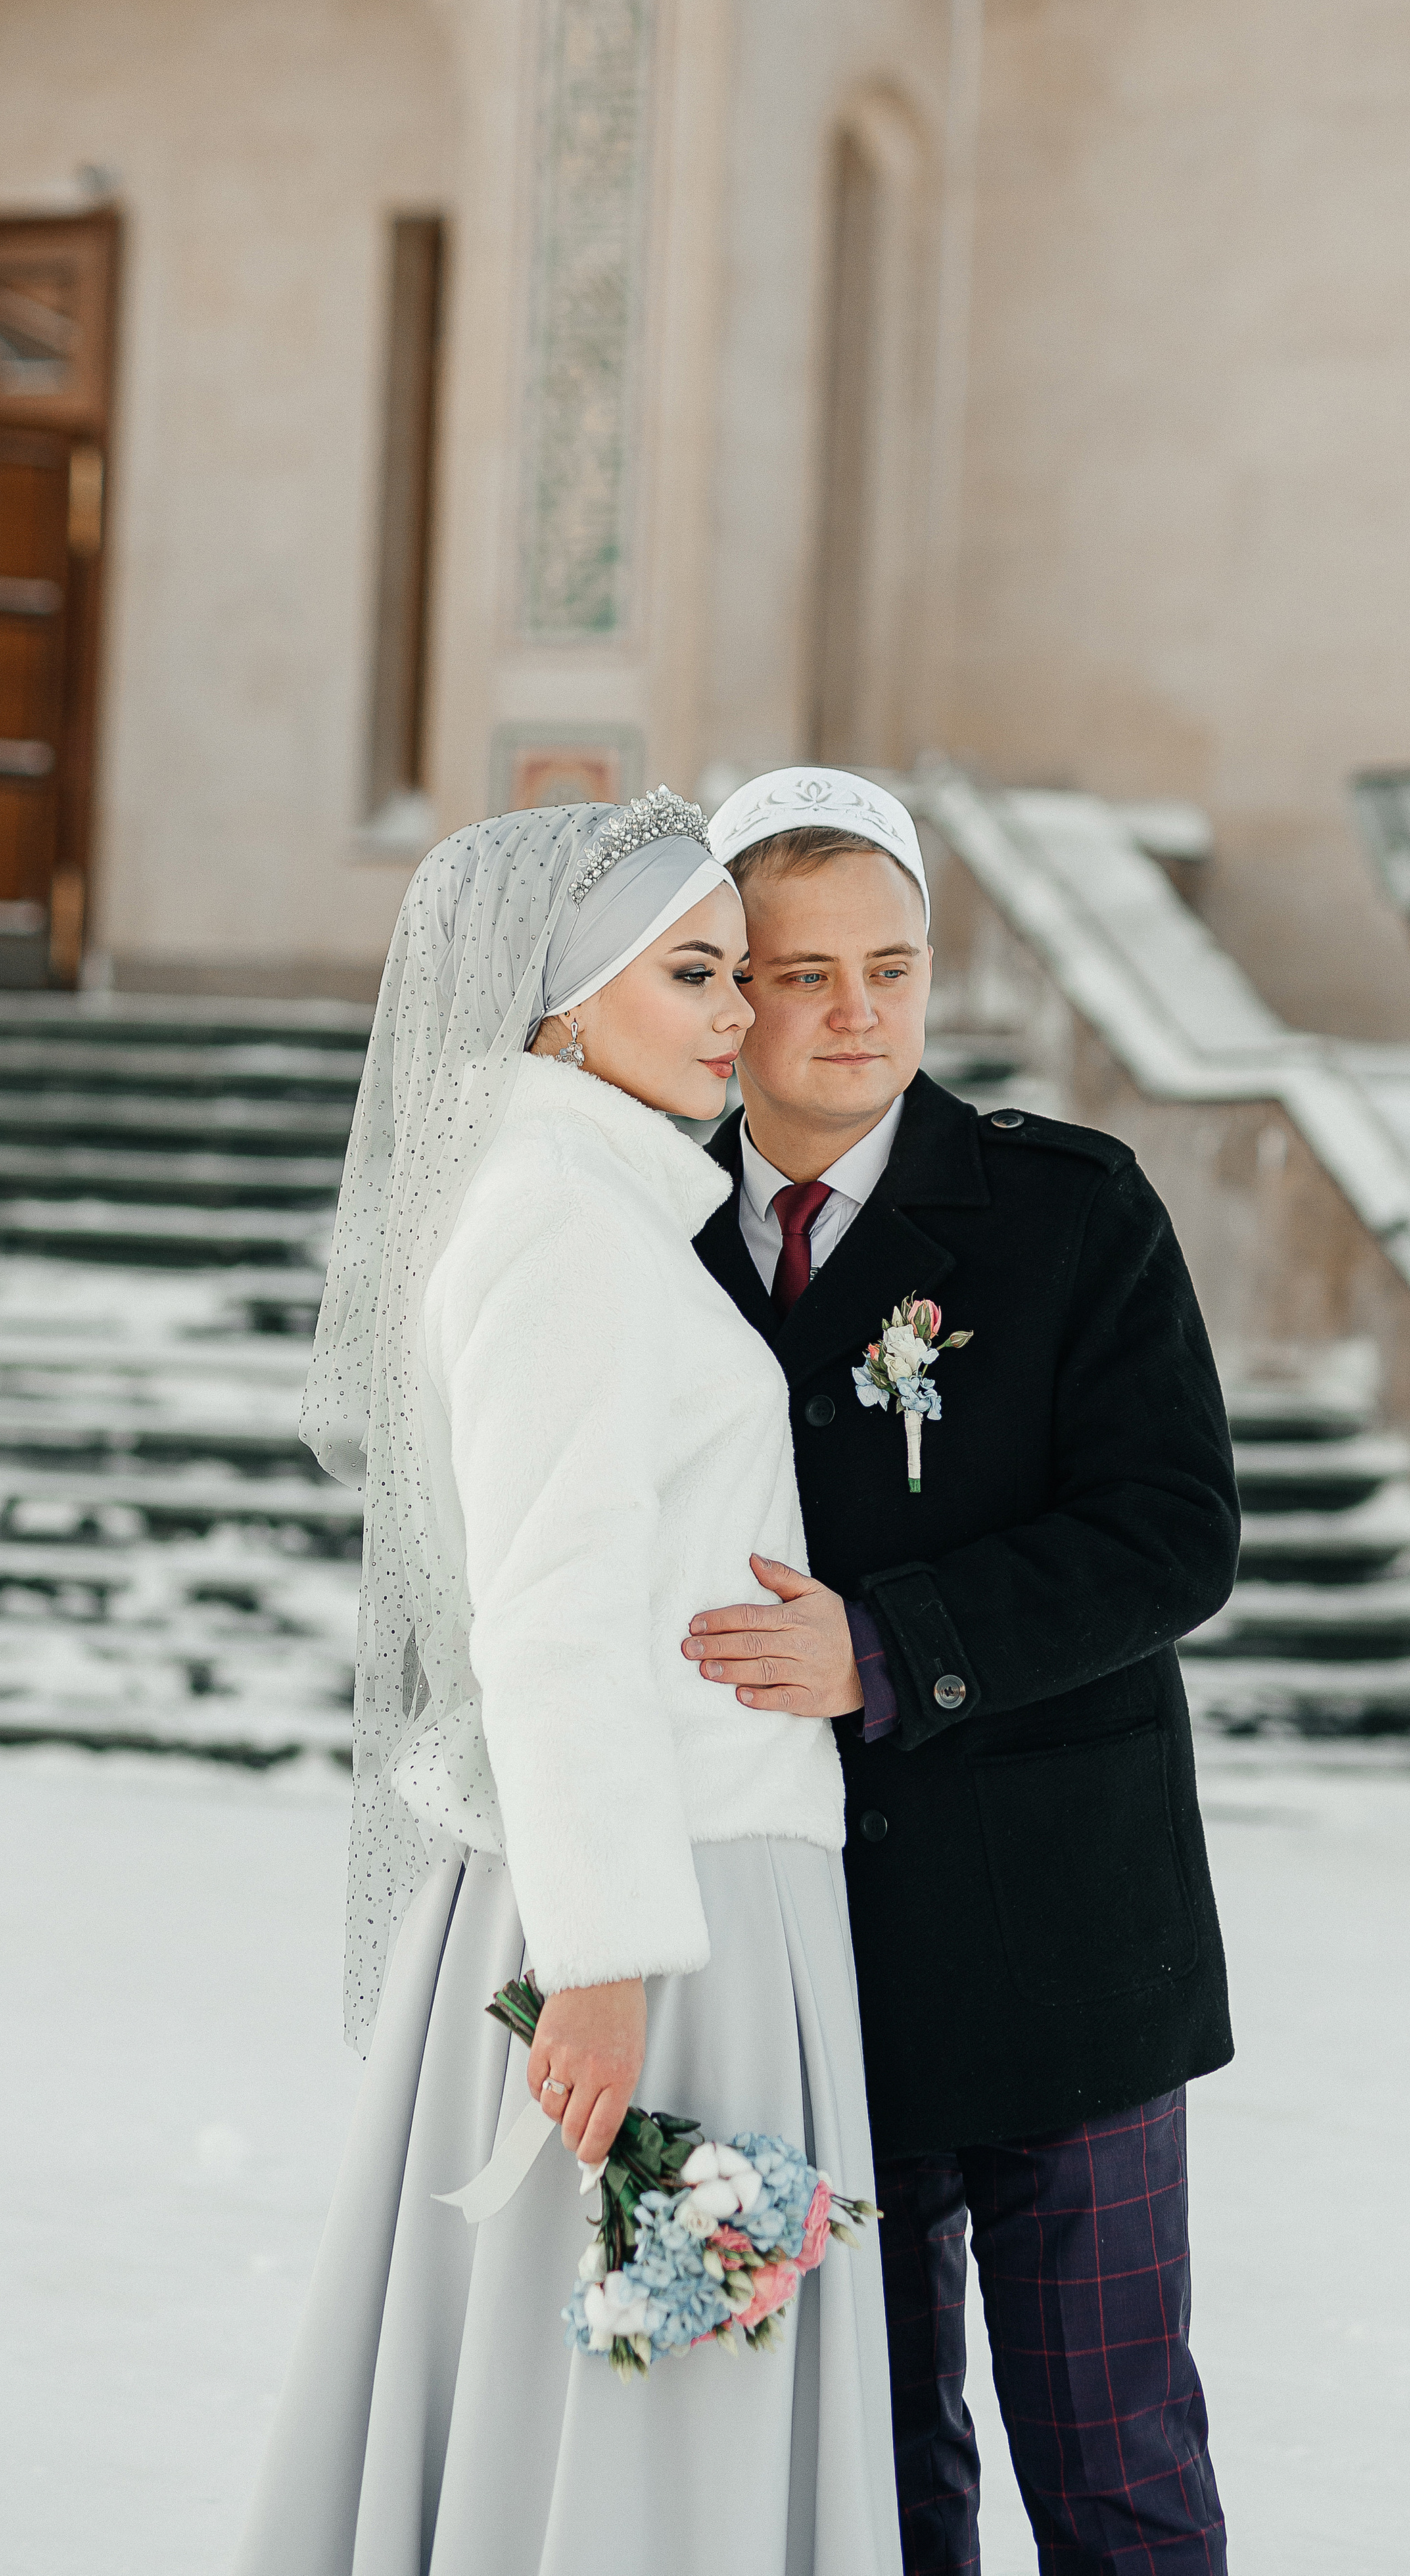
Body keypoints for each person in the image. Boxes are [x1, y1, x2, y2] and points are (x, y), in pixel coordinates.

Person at [235, 798, 901, 2576]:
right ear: (555, 997)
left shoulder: (595, 1204)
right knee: (648, 2404)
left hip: (685, 1871)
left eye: (739, 974)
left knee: (663, 2381)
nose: (740, 1013)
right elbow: (549, 1614)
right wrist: (604, 1969)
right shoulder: (559, 1226)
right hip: (646, 1900)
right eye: (693, 974)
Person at [684, 768, 1240, 2574]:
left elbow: (1173, 1534)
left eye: (895, 968)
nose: (860, 1014)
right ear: (728, 990)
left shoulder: (1069, 1210)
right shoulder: (649, 1229)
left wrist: (886, 1644)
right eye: (806, 973)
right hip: (799, 1963)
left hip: (1067, 1952)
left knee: (1116, 2466)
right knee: (872, 2485)